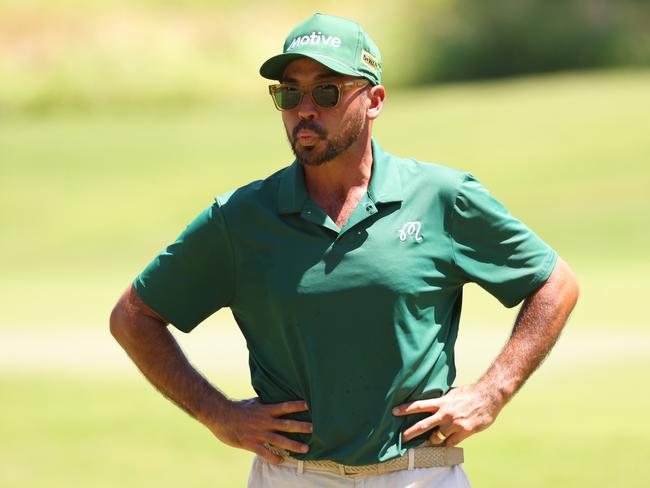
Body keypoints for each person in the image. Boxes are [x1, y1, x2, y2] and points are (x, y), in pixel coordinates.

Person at [110, 12, 579, 488]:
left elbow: (554, 283)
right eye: (289, 93)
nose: (304, 109)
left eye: (326, 91)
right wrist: (218, 414)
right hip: (291, 477)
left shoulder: (442, 197)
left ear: (374, 100)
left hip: (418, 476)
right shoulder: (242, 218)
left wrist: (492, 392)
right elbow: (133, 315)